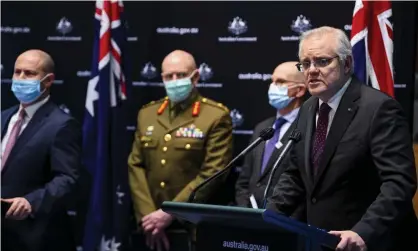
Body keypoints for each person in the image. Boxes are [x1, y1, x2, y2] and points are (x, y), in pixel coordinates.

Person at [266, 26, 418, 251]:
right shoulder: (308, 108)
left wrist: (363, 232)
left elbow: (399, 183)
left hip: (370, 242)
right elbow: (296, 174)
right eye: (306, 64)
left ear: (347, 64)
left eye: (322, 61)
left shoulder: (378, 108)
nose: (312, 71)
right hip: (320, 240)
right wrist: (268, 218)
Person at [128, 50, 233, 251]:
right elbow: (136, 164)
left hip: (190, 226)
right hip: (150, 225)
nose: (174, 81)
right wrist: (148, 216)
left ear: (195, 77)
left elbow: (213, 172)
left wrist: (169, 212)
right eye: (169, 76)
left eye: (181, 75)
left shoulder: (215, 116)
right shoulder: (147, 113)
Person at [1, 49, 81, 251]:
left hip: (32, 236)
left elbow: (67, 178)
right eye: (17, 72)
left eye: (29, 73)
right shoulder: (3, 117)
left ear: (48, 80)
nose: (20, 78)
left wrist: (30, 202)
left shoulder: (61, 124)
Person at [235, 61, 306, 216]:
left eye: (280, 82)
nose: (273, 87)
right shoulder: (262, 128)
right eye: (272, 81)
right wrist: (246, 213)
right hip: (250, 221)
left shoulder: (307, 127)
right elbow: (244, 181)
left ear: (300, 90)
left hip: (287, 223)